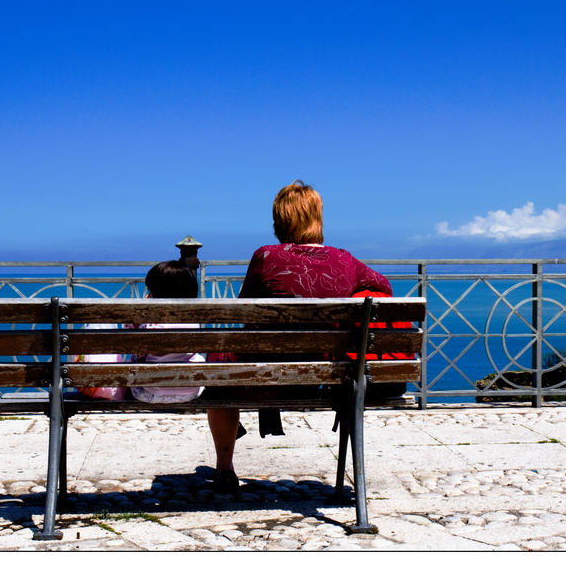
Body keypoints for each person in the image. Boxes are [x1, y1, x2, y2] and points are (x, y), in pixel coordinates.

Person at [206, 180, 391, 494]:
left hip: (264, 379)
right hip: (327, 380)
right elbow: (384, 288)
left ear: (280, 220)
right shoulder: (345, 260)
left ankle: (225, 467)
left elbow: (242, 313)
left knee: (219, 370)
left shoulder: (265, 257)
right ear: (318, 218)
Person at [128, 260, 204, 403]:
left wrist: (139, 318)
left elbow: (136, 355)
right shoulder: (193, 322)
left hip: (151, 393)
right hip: (191, 392)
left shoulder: (150, 326)